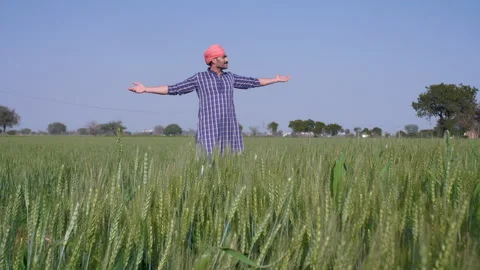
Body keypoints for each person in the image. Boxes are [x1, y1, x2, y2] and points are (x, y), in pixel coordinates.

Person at [128, 44, 291, 159]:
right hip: (208, 129)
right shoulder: (199, 78)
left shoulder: (230, 77)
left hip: (230, 129)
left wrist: (275, 80)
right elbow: (174, 89)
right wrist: (147, 89)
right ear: (213, 60)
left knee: (232, 164)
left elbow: (253, 82)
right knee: (207, 163)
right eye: (223, 56)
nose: (227, 59)